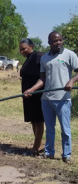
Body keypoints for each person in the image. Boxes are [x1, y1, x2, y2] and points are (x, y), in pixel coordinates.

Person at [24, 31, 78, 163]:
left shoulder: (69, 54)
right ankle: (49, 152)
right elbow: (42, 78)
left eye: (60, 40)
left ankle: (66, 155)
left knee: (65, 128)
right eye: (55, 41)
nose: (58, 43)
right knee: (49, 127)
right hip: (46, 98)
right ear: (49, 43)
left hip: (63, 98)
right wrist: (31, 89)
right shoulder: (45, 58)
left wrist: (71, 81)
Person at [19, 38, 44, 156]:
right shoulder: (28, 59)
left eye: (24, 48)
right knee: (33, 121)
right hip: (28, 96)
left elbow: (44, 74)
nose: (22, 51)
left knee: (39, 121)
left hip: (37, 94)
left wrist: (33, 89)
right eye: (20, 50)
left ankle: (36, 147)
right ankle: (38, 144)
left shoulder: (39, 56)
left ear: (31, 46)